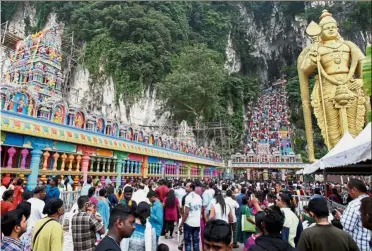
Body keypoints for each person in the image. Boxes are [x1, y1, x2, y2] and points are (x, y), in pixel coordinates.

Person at [340, 179, 371, 251]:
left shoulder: (354, 204)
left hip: (359, 245)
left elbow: (347, 226)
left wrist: (341, 217)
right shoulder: (369, 200)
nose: (348, 193)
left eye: (348, 190)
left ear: (353, 189)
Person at [21, 186, 47, 251]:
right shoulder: (41, 203)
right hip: (36, 230)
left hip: (26, 230)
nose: (45, 194)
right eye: (44, 192)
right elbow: (44, 217)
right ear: (40, 192)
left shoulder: (27, 201)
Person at [179, 182, 202, 251]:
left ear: (191, 188)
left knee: (188, 242)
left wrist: (181, 223)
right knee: (196, 241)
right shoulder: (199, 197)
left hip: (189, 223)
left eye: (187, 187)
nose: (185, 188)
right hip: (197, 223)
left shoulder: (188, 197)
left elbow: (186, 213)